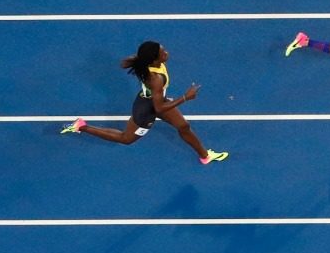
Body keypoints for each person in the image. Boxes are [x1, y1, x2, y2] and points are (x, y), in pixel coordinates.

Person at [60, 41, 228, 165]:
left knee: (184, 126)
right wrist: (185, 97)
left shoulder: (148, 62)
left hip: (157, 100)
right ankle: (81, 126)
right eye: (163, 52)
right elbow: (159, 108)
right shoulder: (156, 79)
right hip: (146, 110)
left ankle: (205, 156)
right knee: (126, 139)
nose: (167, 53)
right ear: (154, 60)